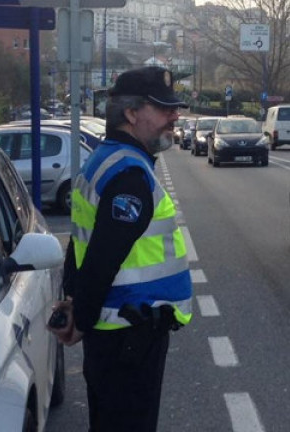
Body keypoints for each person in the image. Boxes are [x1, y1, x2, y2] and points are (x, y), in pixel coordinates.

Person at [49, 66, 193, 432]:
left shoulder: (106, 158)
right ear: (132, 114)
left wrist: (74, 299)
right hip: (129, 336)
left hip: (118, 334)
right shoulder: (130, 176)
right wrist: (80, 318)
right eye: (164, 109)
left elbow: (81, 243)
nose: (174, 116)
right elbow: (101, 258)